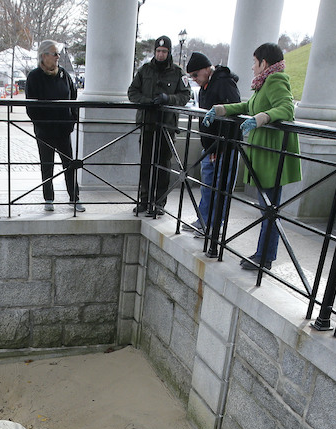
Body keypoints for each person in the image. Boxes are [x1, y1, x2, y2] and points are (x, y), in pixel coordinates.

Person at [207, 42, 301, 271]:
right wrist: (220, 109)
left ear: (264, 63)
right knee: (267, 208)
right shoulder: (264, 84)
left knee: (269, 209)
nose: (252, 67)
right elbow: (248, 105)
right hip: (264, 154)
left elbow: (287, 108)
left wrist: (262, 118)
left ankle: (264, 257)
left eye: (254, 61)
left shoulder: (276, 80)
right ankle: (262, 255)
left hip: (272, 156)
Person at [128, 35, 191, 217]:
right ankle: (144, 199)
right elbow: (132, 92)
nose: (161, 54)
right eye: (158, 51)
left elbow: (185, 96)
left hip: (167, 125)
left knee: (163, 165)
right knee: (146, 163)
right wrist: (147, 102)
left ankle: (159, 202)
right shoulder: (145, 70)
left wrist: (168, 100)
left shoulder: (178, 73)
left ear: (169, 52)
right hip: (148, 123)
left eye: (164, 51)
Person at [185, 51, 239, 238]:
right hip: (210, 147)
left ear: (207, 69)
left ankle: (214, 227)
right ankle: (203, 220)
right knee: (207, 185)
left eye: (195, 75)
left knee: (219, 188)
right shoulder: (205, 87)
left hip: (223, 147)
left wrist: (218, 148)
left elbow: (232, 115)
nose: (194, 79)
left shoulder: (224, 83)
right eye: (191, 76)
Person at [25, 41, 84, 213]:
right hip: (45, 130)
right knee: (47, 164)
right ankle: (48, 198)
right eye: (55, 53)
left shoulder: (64, 75)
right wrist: (41, 123)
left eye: (58, 54)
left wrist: (72, 119)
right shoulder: (34, 76)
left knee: (70, 164)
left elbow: (73, 98)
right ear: (44, 56)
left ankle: (75, 198)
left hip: (63, 129)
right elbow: (31, 106)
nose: (58, 57)